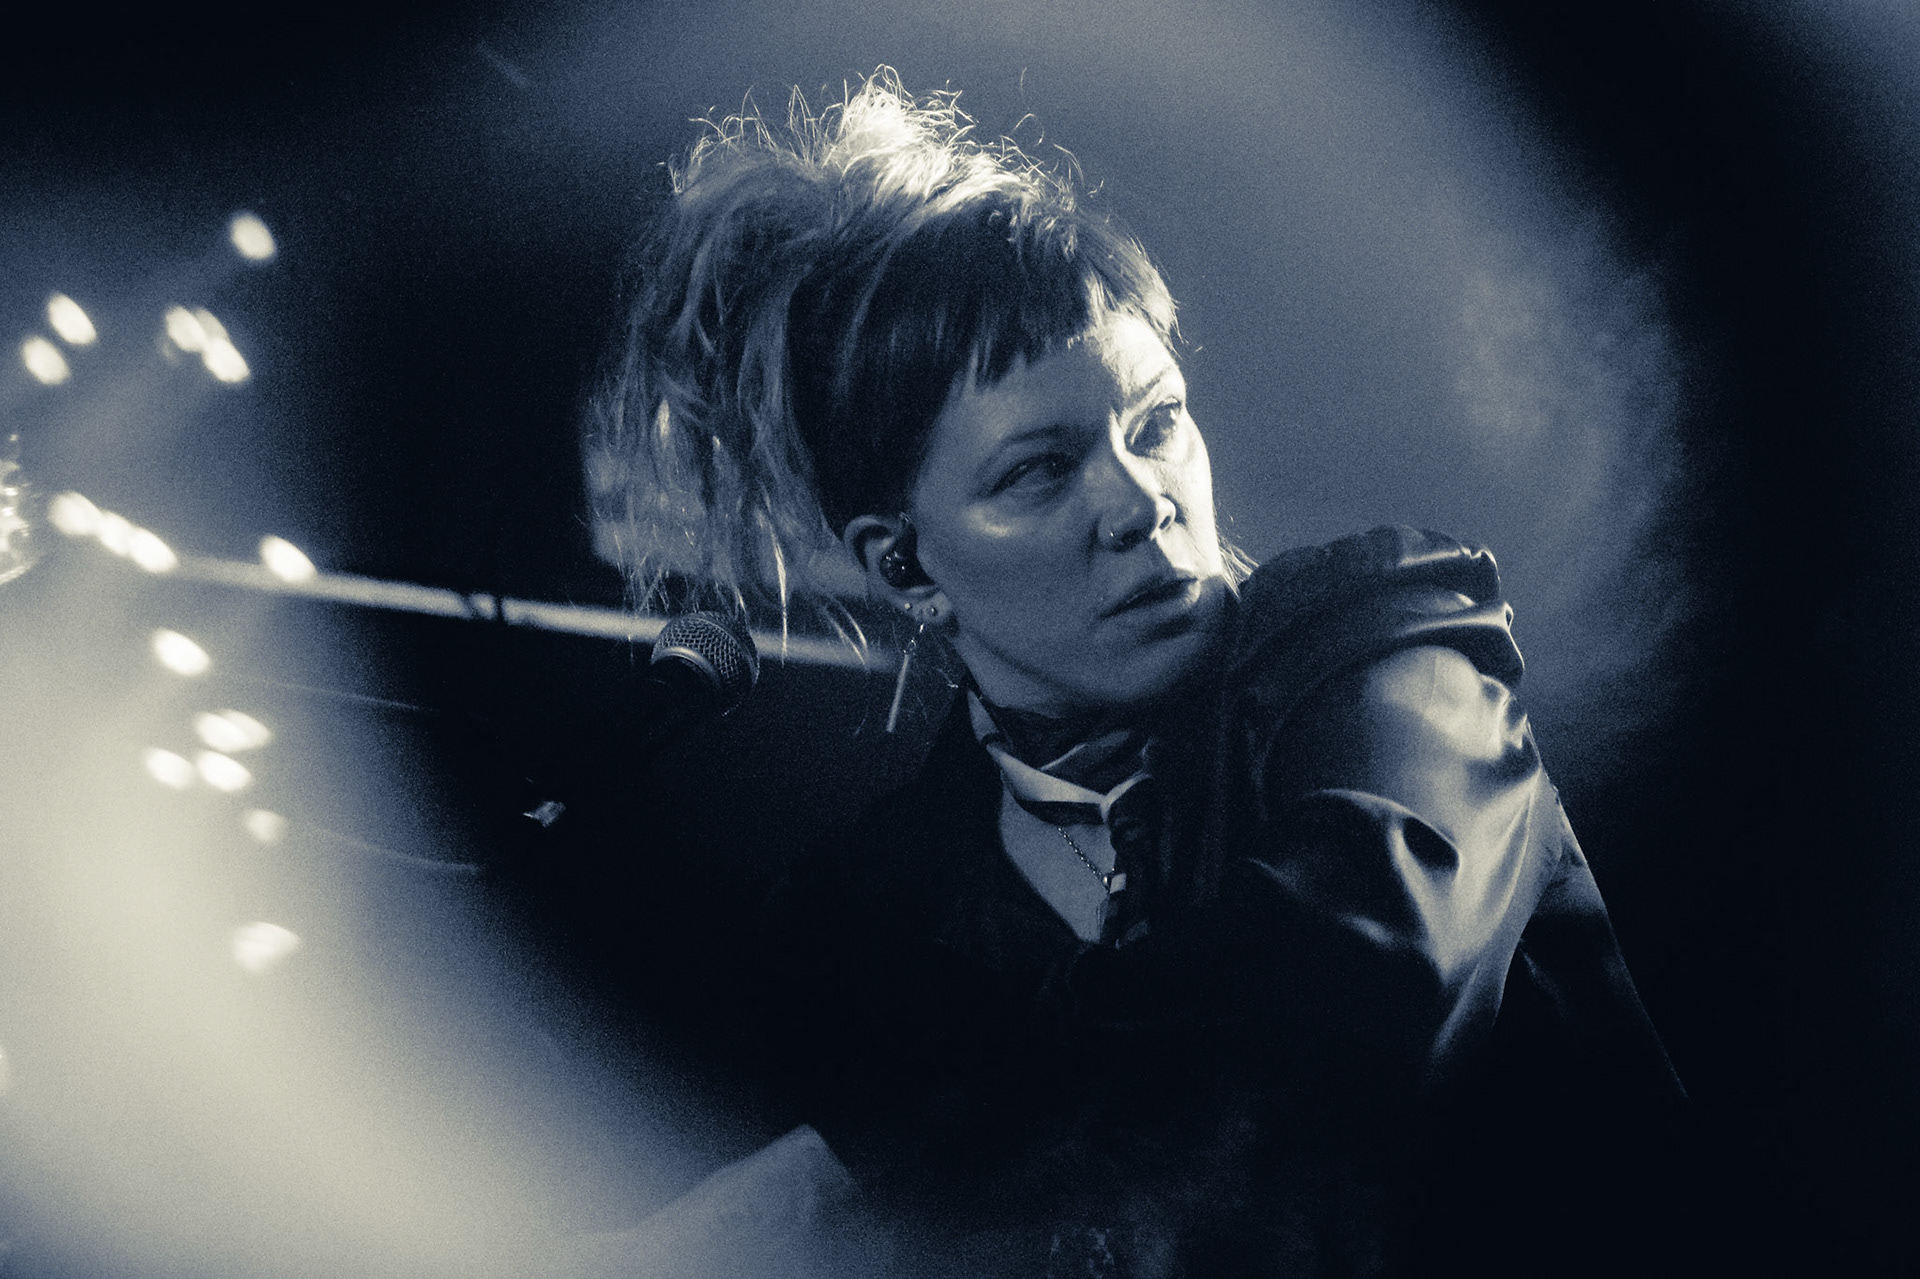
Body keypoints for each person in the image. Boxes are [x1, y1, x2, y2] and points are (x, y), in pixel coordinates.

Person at [583, 71, 1687, 1278]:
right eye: (1040, 470)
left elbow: (1369, 979)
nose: (1140, 502)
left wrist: (850, 1169)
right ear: (904, 564)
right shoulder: (863, 919)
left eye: (1156, 423)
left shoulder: (1382, 652)